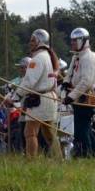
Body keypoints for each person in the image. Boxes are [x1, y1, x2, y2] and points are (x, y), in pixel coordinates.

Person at [13, 29, 61, 158]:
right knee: (49, 134)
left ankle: (31, 161)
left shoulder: (37, 59)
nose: (30, 43)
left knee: (30, 132)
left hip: (40, 99)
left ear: (40, 41)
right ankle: (59, 159)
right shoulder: (48, 56)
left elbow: (29, 81)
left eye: (33, 40)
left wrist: (16, 96)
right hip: (49, 98)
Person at [64, 27, 95, 158]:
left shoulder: (89, 57)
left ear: (83, 41)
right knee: (83, 128)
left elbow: (87, 82)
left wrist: (71, 96)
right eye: (72, 40)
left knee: (82, 129)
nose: (72, 43)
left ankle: (86, 154)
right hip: (77, 97)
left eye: (75, 40)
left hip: (85, 97)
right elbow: (70, 72)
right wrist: (66, 82)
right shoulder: (77, 56)